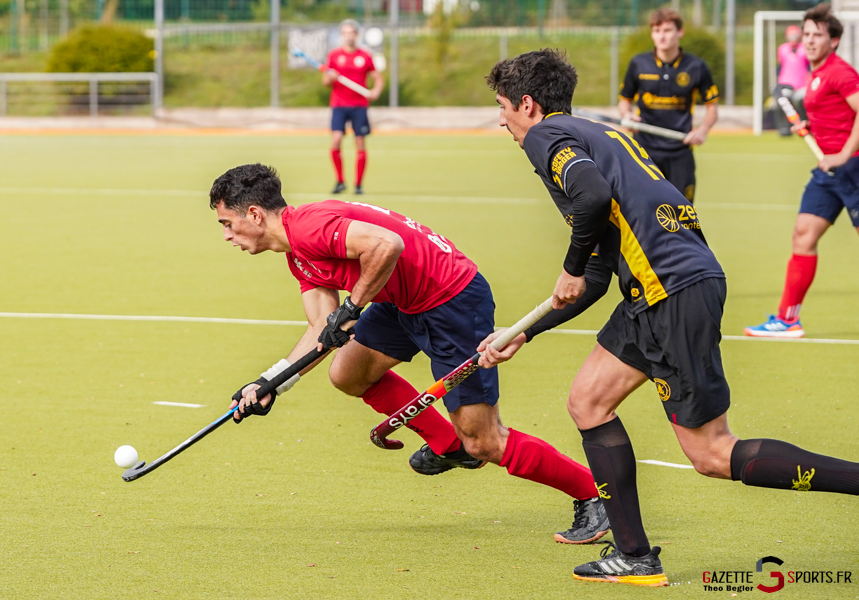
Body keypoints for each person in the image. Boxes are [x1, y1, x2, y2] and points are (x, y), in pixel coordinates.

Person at [479, 48, 859, 586]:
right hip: (656, 290)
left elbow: (589, 199)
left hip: (670, 292)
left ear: (528, 103)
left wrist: (567, 263)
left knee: (710, 452)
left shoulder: (547, 137)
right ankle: (634, 555)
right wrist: (525, 332)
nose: (502, 121)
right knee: (588, 401)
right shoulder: (602, 134)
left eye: (503, 107)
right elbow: (598, 276)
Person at [208, 163, 610, 544]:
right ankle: (448, 446)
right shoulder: (298, 256)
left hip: (451, 299)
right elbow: (321, 330)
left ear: (256, 215)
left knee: (484, 441)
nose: (226, 235)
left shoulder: (311, 227)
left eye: (228, 223)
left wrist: (353, 307)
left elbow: (388, 244)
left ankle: (596, 496)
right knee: (347, 372)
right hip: (402, 301)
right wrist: (270, 383)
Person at [746, 3, 859, 338]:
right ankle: (788, 320)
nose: (809, 40)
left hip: (852, 168)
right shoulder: (816, 74)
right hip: (828, 171)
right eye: (806, 33)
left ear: (834, 40)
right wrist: (811, 127)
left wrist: (842, 154)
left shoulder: (840, 72)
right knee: (803, 235)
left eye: (817, 35)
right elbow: (835, 114)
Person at [618, 8, 719, 203]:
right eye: (656, 31)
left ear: (679, 32)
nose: (661, 36)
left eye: (667, 30)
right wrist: (627, 115)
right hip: (643, 151)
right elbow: (624, 101)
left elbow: (712, 109)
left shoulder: (696, 66)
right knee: (642, 212)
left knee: (682, 215)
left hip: (680, 152)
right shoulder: (638, 64)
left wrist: (703, 130)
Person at [324, 19, 384, 195]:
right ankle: (340, 181)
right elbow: (325, 82)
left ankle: (358, 184)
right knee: (335, 141)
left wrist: (375, 91)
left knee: (360, 143)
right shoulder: (334, 56)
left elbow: (378, 78)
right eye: (345, 33)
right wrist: (331, 77)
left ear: (356, 35)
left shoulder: (364, 56)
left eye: (351, 33)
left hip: (359, 105)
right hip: (339, 105)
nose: (348, 36)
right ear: (341, 35)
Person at [773, 24, 811, 136]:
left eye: (795, 35)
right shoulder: (782, 49)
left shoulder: (805, 48)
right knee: (783, 102)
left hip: (802, 84)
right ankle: (784, 128)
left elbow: (809, 67)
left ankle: (805, 126)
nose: (793, 37)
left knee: (803, 102)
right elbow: (780, 66)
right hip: (786, 84)